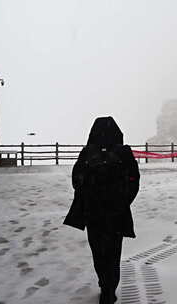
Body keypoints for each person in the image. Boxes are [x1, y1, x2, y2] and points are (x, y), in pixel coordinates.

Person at [64, 116, 140, 304]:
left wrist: (88, 195)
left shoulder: (87, 152)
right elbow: (134, 180)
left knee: (98, 251)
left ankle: (104, 283)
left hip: (93, 212)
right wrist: (123, 201)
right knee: (114, 253)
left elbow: (76, 179)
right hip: (116, 213)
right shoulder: (124, 152)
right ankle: (109, 289)